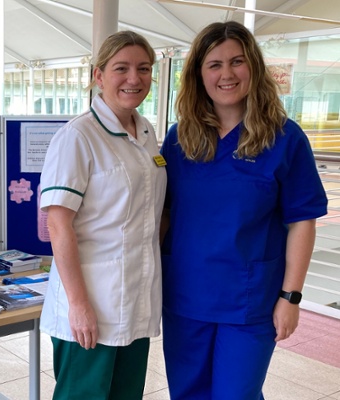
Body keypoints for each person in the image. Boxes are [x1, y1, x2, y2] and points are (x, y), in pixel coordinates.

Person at [160, 21, 328, 400]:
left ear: (253, 66)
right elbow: (163, 214)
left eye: (236, 61)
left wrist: (291, 297)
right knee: (187, 393)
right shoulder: (179, 138)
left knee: (236, 394)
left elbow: (303, 221)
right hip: (186, 296)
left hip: (250, 301)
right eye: (214, 64)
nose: (226, 74)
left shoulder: (284, 138)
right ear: (198, 74)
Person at [39, 30, 166, 399]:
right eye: (121, 68)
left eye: (144, 69)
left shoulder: (146, 133)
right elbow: (59, 224)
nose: (134, 78)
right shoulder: (78, 137)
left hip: (135, 302)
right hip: (91, 306)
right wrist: (79, 305)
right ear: (98, 75)